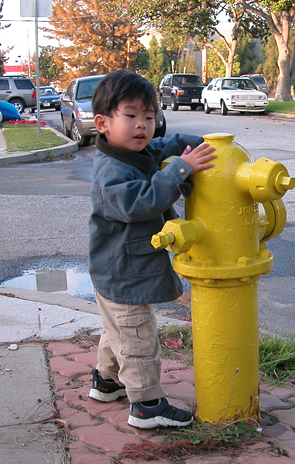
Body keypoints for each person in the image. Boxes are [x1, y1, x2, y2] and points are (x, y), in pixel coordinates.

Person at [87, 70, 216, 429]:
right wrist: (180, 170)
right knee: (138, 335)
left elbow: (167, 144)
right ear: (103, 123)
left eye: (148, 116)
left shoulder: (134, 153)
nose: (142, 125)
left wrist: (208, 143)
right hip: (121, 271)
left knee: (120, 331)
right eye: (130, 115)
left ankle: (107, 382)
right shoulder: (111, 171)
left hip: (117, 270)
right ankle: (146, 405)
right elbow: (139, 204)